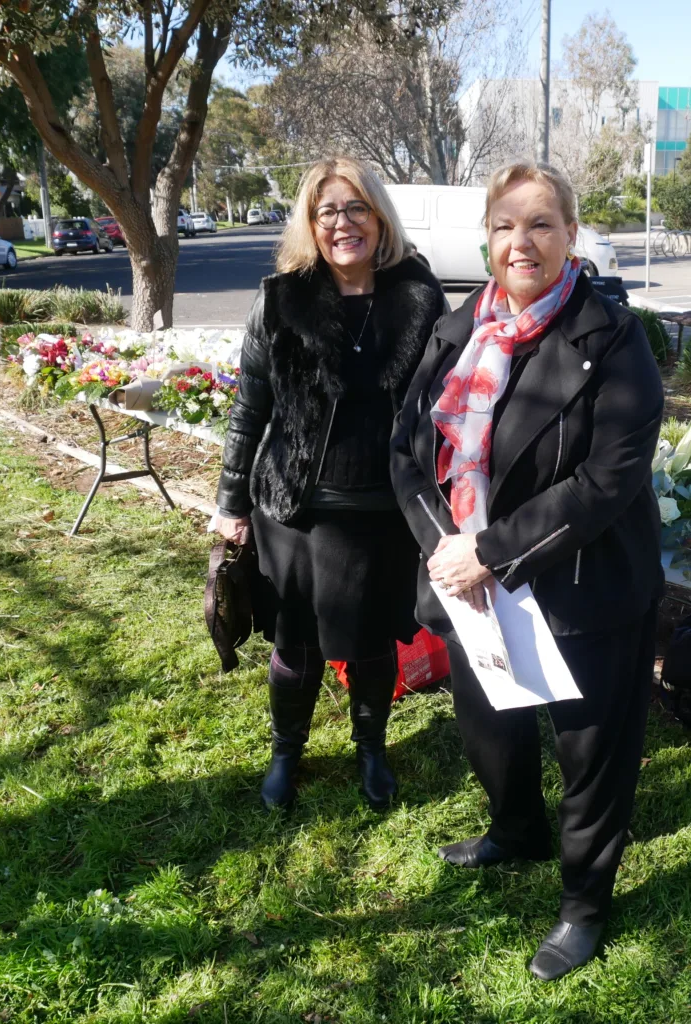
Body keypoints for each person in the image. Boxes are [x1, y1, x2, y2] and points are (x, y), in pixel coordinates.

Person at [390, 161, 664, 981]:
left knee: (591, 754)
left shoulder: (611, 336)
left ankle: (584, 906)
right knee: (490, 724)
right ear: (487, 235)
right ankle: (515, 829)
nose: (522, 242)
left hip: (583, 589)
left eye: (541, 223)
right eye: (506, 225)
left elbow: (608, 479)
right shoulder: (459, 325)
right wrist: (452, 548)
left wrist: (491, 550)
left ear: (571, 236)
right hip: (471, 581)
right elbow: (408, 449)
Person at [214, 156, 446, 811]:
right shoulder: (280, 300)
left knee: (371, 641)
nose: (344, 223)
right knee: (294, 641)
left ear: (378, 217)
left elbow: (446, 406)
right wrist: (229, 504)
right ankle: (287, 753)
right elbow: (249, 408)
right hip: (293, 510)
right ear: (310, 225)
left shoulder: (420, 297)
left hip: (383, 510)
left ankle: (371, 752)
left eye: (356, 209)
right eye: (328, 212)